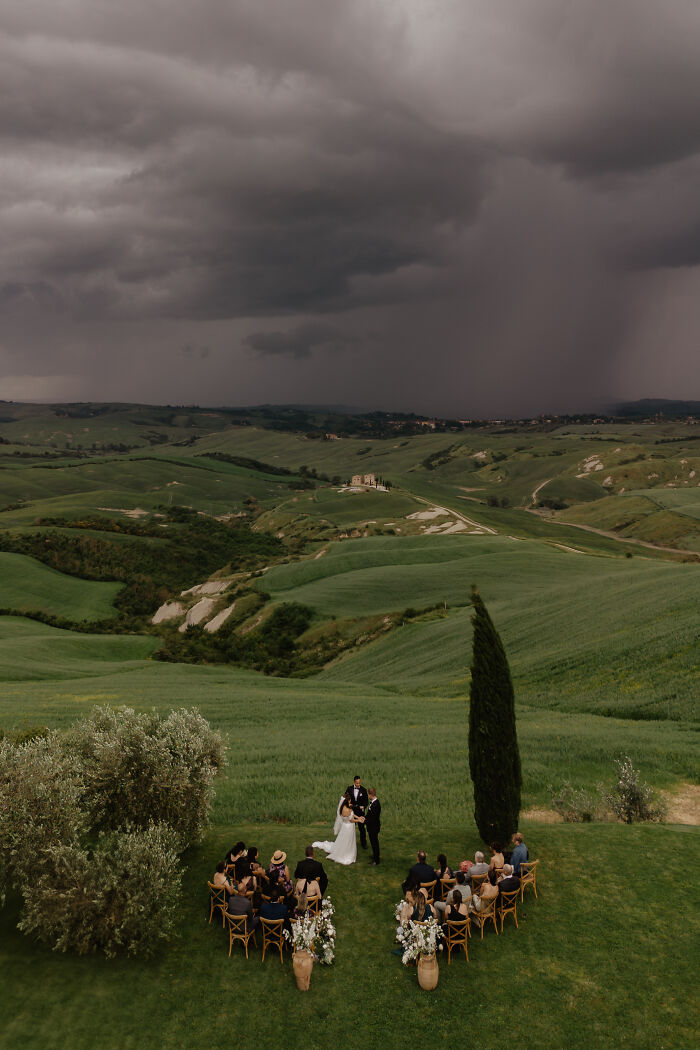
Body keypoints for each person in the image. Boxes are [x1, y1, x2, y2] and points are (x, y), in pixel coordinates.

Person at [313, 792, 365, 865]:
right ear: (347, 801)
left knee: (346, 840)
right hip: (348, 827)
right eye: (350, 800)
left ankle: (347, 850)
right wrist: (359, 820)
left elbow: (352, 814)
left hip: (346, 826)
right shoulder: (346, 810)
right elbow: (351, 820)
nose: (350, 801)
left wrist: (358, 817)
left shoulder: (344, 807)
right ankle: (346, 853)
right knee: (348, 840)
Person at [345, 775, 368, 850]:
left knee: (362, 828)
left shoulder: (364, 790)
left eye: (359, 783)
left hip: (360, 812)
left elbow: (366, 802)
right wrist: (349, 806)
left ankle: (363, 843)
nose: (358, 784)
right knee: (351, 827)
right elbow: (346, 798)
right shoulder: (349, 789)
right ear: (354, 782)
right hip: (352, 811)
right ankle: (349, 842)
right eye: (357, 783)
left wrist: (363, 807)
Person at [365, 787, 381, 866]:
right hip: (372, 826)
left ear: (371, 795)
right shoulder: (373, 802)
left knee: (374, 843)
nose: (368, 796)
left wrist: (364, 821)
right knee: (373, 842)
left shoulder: (376, 804)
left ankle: (376, 860)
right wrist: (364, 818)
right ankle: (375, 855)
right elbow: (369, 814)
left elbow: (372, 818)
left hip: (373, 827)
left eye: (368, 794)